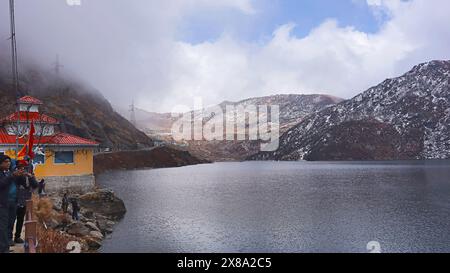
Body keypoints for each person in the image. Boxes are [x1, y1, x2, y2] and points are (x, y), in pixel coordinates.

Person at [0, 155, 24, 253]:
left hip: (10, 203)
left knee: (7, 226)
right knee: (2, 228)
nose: (8, 163)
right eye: (6, 161)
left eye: (9, 161)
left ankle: (5, 247)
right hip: (2, 204)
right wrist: (12, 175)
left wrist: (23, 175)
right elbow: (1, 184)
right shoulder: (5, 174)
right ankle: (3, 249)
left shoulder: (6, 173)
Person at [13, 160, 38, 244]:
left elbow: (35, 185)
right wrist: (19, 175)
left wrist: (30, 176)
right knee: (11, 220)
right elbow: (15, 183)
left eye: (25, 168)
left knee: (20, 220)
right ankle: (8, 238)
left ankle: (17, 236)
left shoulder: (30, 175)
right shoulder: (15, 174)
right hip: (15, 200)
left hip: (25, 201)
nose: (24, 169)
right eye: (22, 168)